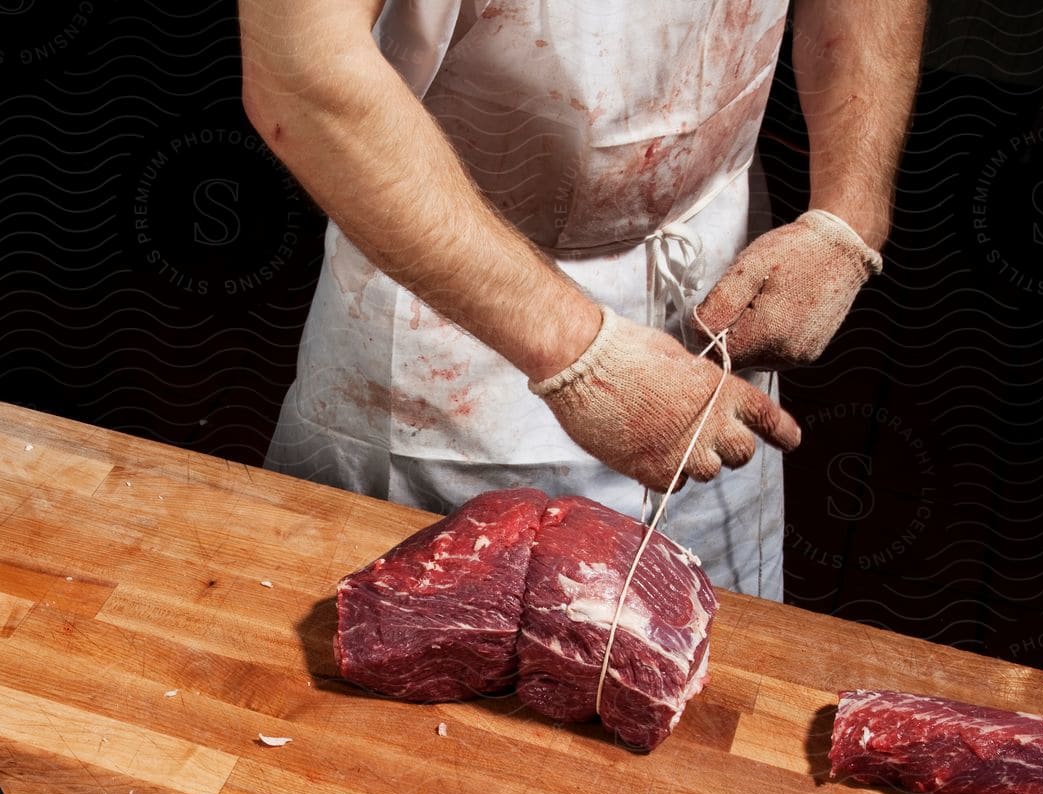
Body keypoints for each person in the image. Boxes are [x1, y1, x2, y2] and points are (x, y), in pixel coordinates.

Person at [241, 0, 926, 597]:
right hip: (451, 331)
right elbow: (301, 70)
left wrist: (848, 221)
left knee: (698, 696)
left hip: (711, 310)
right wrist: (580, 351)